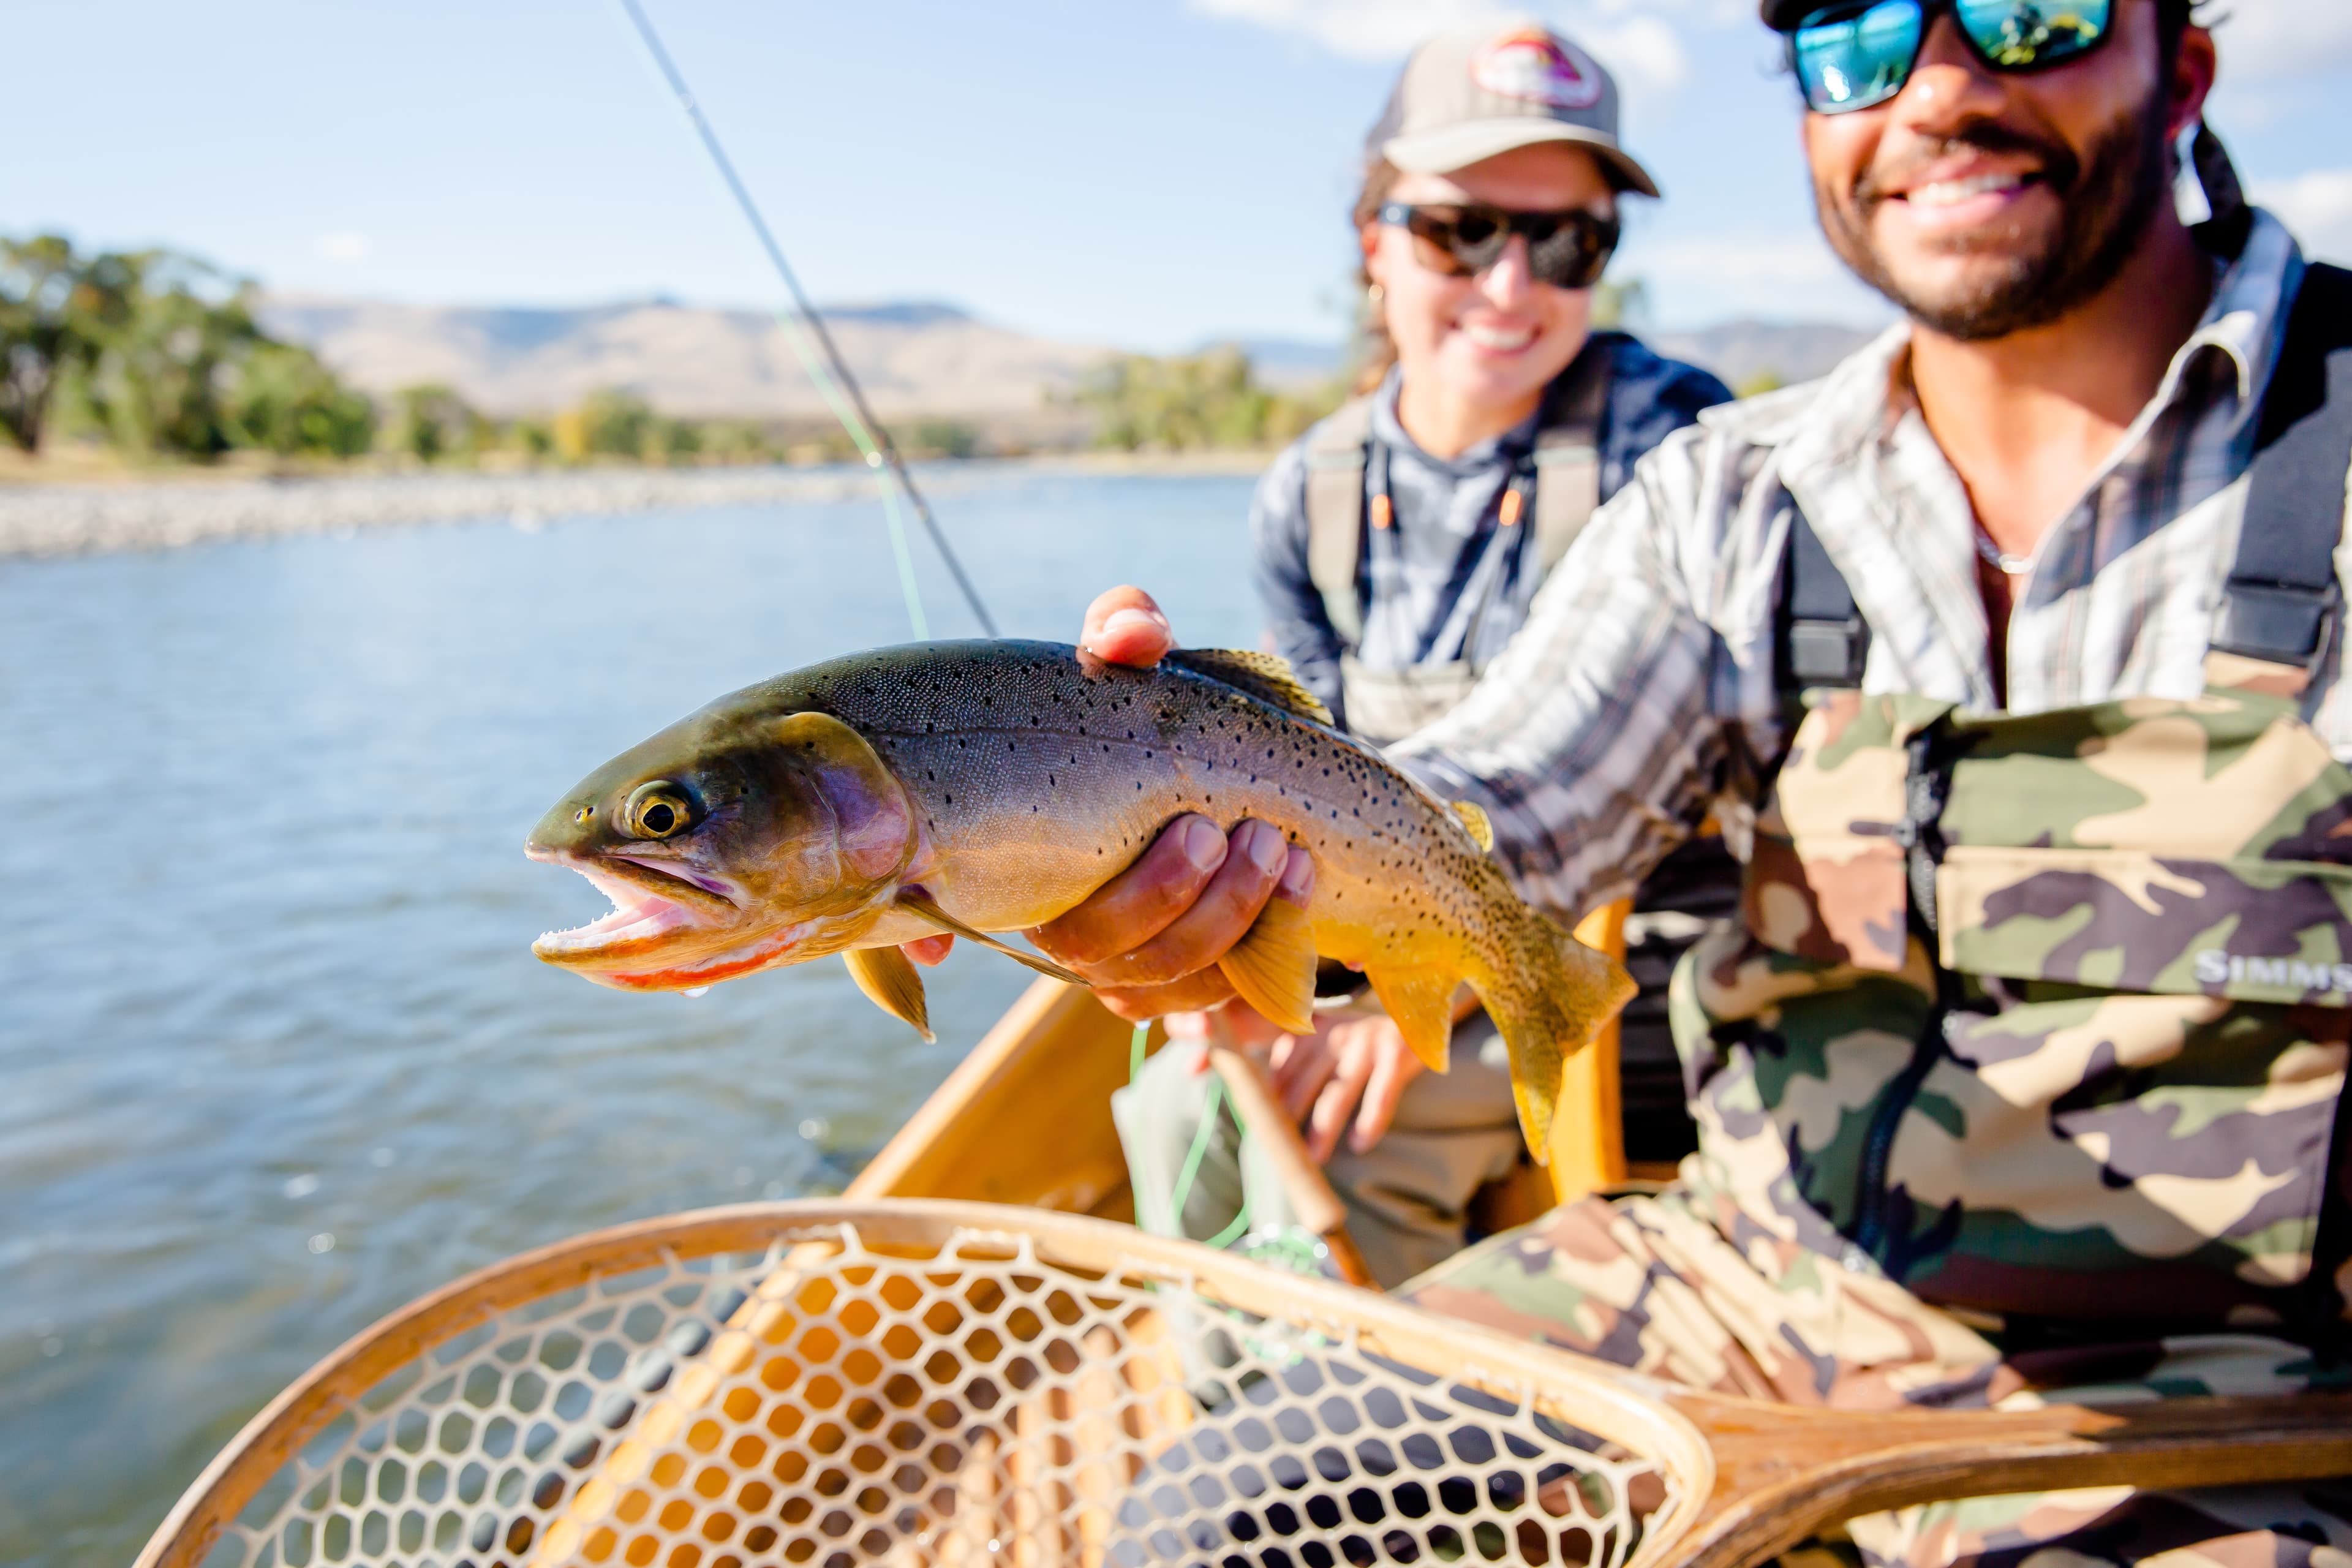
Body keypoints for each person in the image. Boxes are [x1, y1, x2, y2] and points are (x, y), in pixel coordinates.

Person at [918, 0, 2352, 1562]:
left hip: (2241, 1380)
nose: (1940, 82)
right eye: (1861, 34)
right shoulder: (1733, 497)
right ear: (1811, 115)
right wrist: (1192, 850)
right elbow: (1503, 804)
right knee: (1224, 1513)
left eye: (2034, 10)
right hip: (1758, 1282)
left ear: (2185, 66)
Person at [1110, 17, 1735, 1289]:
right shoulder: (1311, 491)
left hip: (1638, 971)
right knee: (1186, 1099)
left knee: (1326, 1143)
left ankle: (1392, 1444)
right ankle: (1280, 1446)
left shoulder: (1680, 451)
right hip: (1401, 920)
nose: (1512, 287)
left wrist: (1421, 981)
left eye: (1568, 242)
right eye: (1462, 231)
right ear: (1374, 243)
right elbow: (1307, 775)